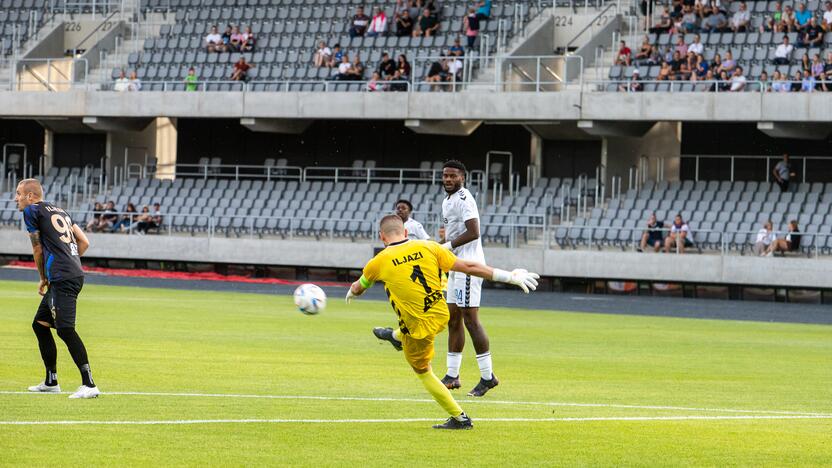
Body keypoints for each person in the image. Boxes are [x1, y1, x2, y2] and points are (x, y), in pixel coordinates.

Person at [345, 214, 538, 429]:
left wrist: (352, 292)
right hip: (440, 315)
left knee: (423, 371)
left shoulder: (378, 261)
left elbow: (359, 286)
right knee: (409, 322)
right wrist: (509, 276)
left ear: (382, 237)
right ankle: (395, 336)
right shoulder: (429, 247)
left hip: (418, 328)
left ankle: (460, 418)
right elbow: (470, 267)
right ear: (406, 232)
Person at [15, 179, 99, 399]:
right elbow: (84, 241)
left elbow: (37, 248)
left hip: (63, 277)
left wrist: (43, 277)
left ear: (30, 196)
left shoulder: (32, 211)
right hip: (70, 273)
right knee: (40, 325)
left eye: (18, 194)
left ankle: (89, 384)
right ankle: (51, 381)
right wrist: (69, 259)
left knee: (65, 329)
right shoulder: (60, 211)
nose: (16, 199)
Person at [437, 160, 497, 396]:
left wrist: (446, 246)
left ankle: (487, 376)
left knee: (471, 320)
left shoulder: (464, 199)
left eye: (453, 176)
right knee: (453, 318)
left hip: (469, 267)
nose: (448, 179)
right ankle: (452, 375)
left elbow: (474, 232)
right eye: (445, 175)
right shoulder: (447, 200)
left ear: (463, 177)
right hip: (455, 265)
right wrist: (442, 247)